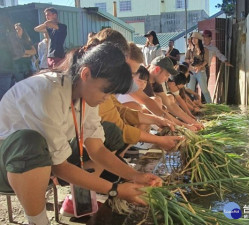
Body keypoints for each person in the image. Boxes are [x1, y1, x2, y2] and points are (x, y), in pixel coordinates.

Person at [0, 43, 162, 225]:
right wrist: (115, 189)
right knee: (29, 142)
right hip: (9, 165)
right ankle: (38, 221)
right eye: (105, 91)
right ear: (85, 74)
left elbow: (97, 149)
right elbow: (60, 166)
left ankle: (79, 200)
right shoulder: (46, 92)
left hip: (45, 159)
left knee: (109, 133)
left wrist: (136, 176)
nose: (107, 98)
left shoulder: (86, 96)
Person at [185, 32, 212, 104]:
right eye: (192, 38)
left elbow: (206, 61)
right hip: (191, 71)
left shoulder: (205, 50)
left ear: (199, 39)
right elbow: (186, 59)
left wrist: (200, 67)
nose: (193, 40)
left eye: (195, 38)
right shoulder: (190, 50)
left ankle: (210, 105)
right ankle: (191, 105)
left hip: (201, 71)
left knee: (204, 90)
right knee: (190, 89)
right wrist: (190, 61)